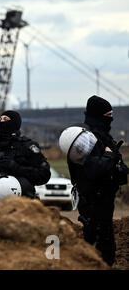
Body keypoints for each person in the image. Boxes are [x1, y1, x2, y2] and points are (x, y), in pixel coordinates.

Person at [67, 95, 128, 266]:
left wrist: (118, 167)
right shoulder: (84, 140)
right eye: (108, 115)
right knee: (96, 249)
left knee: (107, 247)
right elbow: (93, 170)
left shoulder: (105, 139)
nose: (111, 119)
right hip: (92, 201)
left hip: (106, 201)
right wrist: (109, 156)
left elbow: (118, 169)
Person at [0, 110, 51, 198]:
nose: (2, 122)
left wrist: (15, 167)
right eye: (0, 119)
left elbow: (44, 175)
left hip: (24, 201)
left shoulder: (27, 146)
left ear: (15, 123)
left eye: (5, 119)